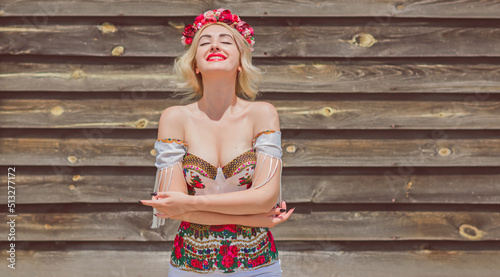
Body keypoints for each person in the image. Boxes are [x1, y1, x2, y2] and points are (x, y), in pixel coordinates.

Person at [140, 8, 295, 276]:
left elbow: (265, 198)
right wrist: (257, 218)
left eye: (225, 40)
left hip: (259, 267)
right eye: (204, 41)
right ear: (196, 65)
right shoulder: (174, 118)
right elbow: (172, 209)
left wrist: (190, 203)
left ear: (239, 62)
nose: (214, 44)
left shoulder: (263, 113)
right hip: (190, 266)